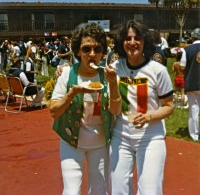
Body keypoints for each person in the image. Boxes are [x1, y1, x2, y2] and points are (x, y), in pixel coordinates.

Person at [49, 22, 121, 195]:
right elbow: (54, 111)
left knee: (99, 190)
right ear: (78, 51)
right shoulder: (67, 74)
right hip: (71, 142)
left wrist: (112, 84)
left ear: (103, 52)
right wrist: (72, 94)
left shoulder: (109, 76)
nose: (92, 54)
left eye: (97, 49)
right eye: (86, 49)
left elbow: (116, 111)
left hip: (100, 143)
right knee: (72, 191)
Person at [109, 19, 174, 195]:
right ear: (121, 43)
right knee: (119, 190)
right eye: (127, 38)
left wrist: (149, 117)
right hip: (120, 137)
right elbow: (90, 69)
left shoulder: (158, 70)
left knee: (150, 191)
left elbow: (169, 106)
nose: (132, 43)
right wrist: (67, 69)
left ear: (144, 41)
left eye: (137, 38)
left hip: (151, 137)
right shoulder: (114, 68)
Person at [180, 28, 200, 141]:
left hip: (192, 82)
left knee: (194, 109)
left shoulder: (187, 50)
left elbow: (182, 67)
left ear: (192, 37)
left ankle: (194, 135)